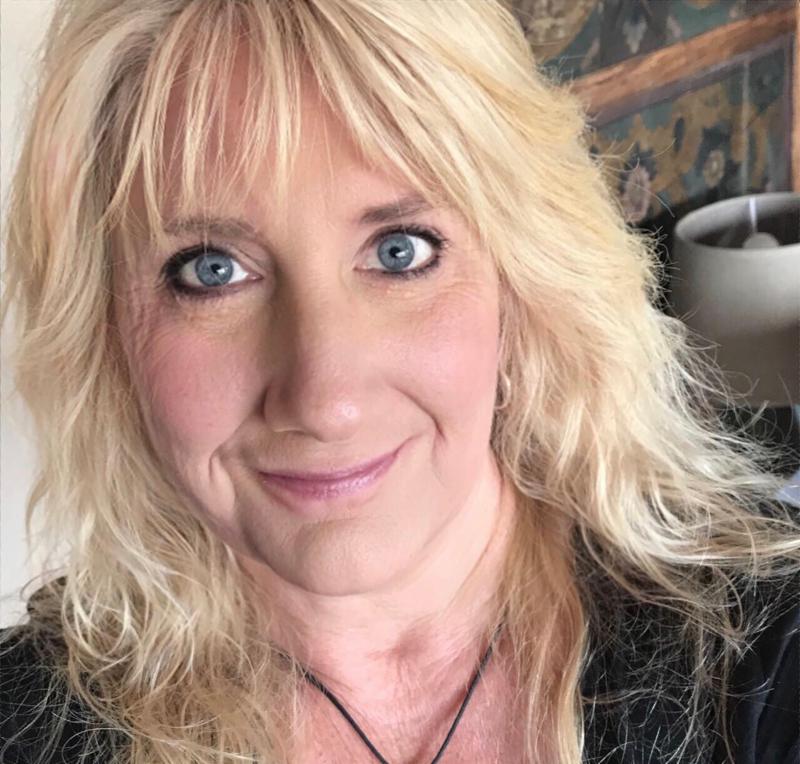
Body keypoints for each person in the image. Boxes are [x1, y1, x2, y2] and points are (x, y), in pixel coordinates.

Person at [1, 1, 798, 762]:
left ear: (521, 280)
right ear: (106, 326)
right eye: (212, 271)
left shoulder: (766, 654)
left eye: (400, 252)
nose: (326, 402)